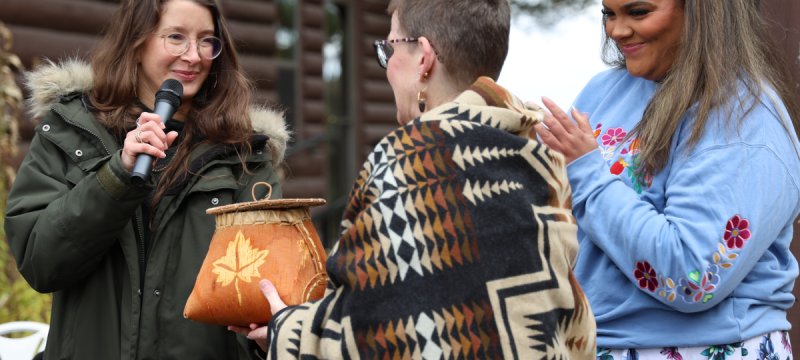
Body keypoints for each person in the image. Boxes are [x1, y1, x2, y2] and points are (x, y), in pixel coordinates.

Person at [228, 0, 597, 358]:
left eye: (389, 49)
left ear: (423, 57)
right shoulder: (541, 159)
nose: (387, 67)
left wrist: (284, 329)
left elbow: (364, 327)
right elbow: (569, 322)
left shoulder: (407, 161)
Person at [3, 0, 289, 359]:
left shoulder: (244, 157)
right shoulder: (70, 132)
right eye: (176, 37)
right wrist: (116, 177)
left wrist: (268, 340)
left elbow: (266, 292)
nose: (194, 55)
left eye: (206, 41)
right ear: (136, 43)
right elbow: (39, 261)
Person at [534, 0, 800, 358]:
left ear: (702, 11)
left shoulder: (746, 121)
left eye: (638, 12)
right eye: (609, 14)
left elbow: (692, 279)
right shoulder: (601, 92)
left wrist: (587, 174)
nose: (616, 30)